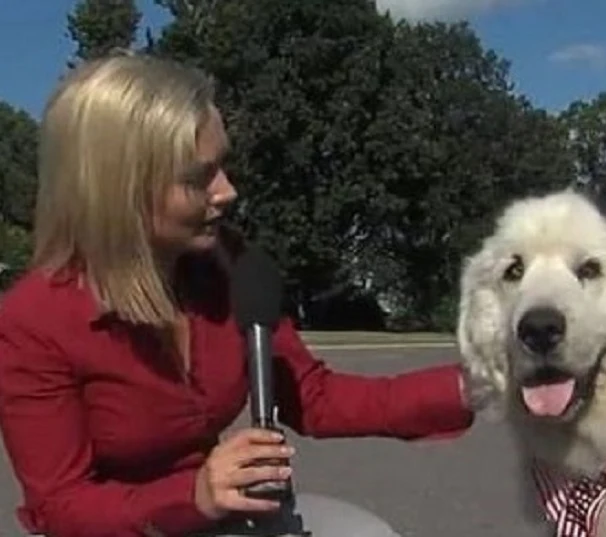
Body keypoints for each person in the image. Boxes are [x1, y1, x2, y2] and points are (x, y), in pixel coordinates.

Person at [0, 51, 476, 537]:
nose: (227, 192)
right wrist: (193, 496)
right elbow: (61, 507)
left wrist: (478, 384)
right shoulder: (31, 323)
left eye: (222, 166)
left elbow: (314, 397)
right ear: (119, 189)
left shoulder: (228, 264)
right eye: (197, 177)